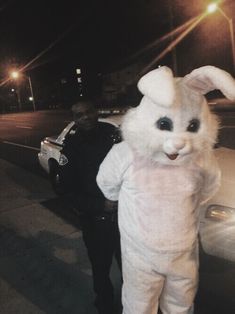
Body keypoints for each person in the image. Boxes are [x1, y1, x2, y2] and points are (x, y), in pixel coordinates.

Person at [59, 99, 122, 314]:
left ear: (96, 111)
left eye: (88, 111)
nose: (85, 117)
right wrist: (99, 205)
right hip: (96, 222)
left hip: (126, 220)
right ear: (74, 119)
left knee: (133, 269)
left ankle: (136, 305)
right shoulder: (72, 146)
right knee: (100, 268)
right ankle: (105, 305)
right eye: (79, 114)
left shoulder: (112, 133)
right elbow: (66, 192)